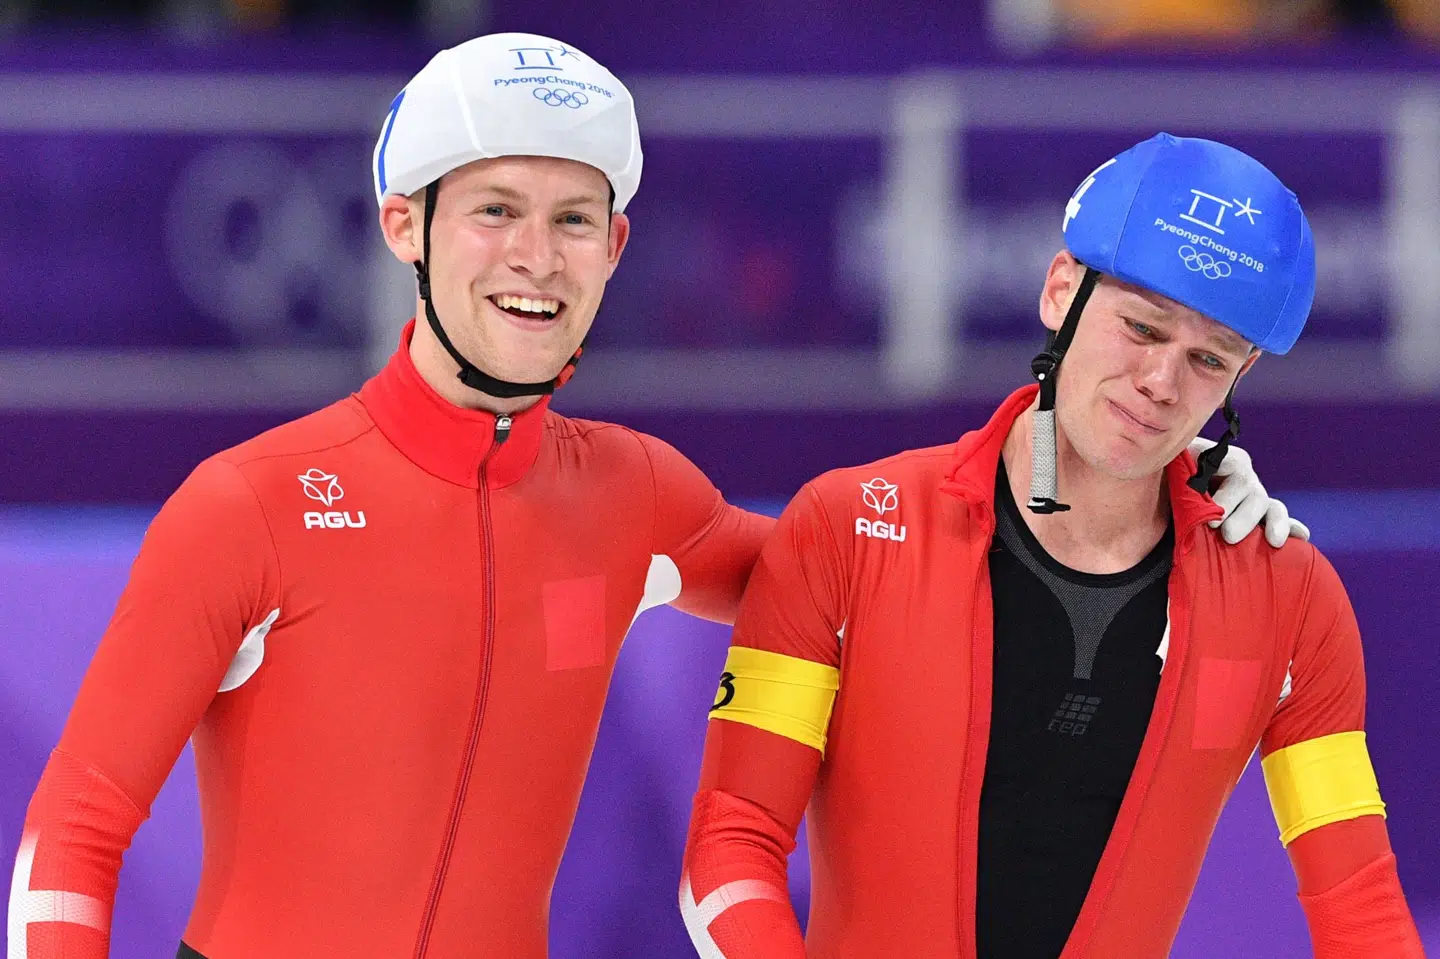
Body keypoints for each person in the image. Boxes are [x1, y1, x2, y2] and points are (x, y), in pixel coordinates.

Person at [5, 33, 1296, 957]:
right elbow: (73, 830)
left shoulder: (635, 494)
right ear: (405, 224)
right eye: (495, 208)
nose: (535, 255)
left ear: (617, 247)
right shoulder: (251, 502)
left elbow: (893, 561)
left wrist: (1173, 486)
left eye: (576, 219)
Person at [679, 133, 1427, 959]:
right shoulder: (848, 528)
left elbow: (1359, 908)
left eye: (1208, 360)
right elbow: (731, 845)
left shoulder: (1290, 598)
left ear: (1242, 376)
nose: (1161, 383)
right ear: (1060, 289)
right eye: (1142, 328)